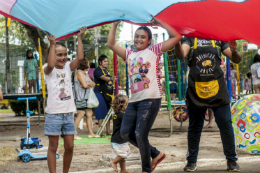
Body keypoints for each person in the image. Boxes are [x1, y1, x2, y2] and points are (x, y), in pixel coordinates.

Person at [107, 15, 182, 173]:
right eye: (136, 36)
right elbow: (111, 43)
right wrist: (114, 24)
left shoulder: (154, 50)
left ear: (149, 41)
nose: (139, 39)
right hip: (134, 101)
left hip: (150, 99)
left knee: (141, 134)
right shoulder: (128, 54)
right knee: (126, 133)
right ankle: (156, 154)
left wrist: (159, 22)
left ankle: (146, 169)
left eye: (143, 37)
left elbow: (176, 36)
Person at [175, 37, 242, 171]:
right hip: (195, 89)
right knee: (195, 127)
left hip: (218, 88)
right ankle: (191, 161)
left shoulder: (219, 37)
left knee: (225, 123)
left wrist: (234, 50)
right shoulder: (189, 38)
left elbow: (236, 59)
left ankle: (232, 160)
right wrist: (176, 39)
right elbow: (181, 54)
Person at [43, 26, 87, 173]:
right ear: (52, 55)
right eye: (59, 55)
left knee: (70, 146)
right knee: (53, 147)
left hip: (68, 114)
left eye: (65, 54)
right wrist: (52, 44)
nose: (63, 58)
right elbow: (50, 64)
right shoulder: (48, 70)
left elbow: (80, 58)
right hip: (54, 115)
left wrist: (79, 38)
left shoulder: (68, 67)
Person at [74, 58, 99, 139]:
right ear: (84, 64)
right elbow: (85, 85)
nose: (89, 65)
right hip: (80, 97)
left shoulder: (85, 73)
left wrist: (87, 84)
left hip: (87, 97)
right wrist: (88, 84)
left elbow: (92, 84)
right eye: (88, 63)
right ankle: (73, 134)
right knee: (80, 115)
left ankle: (91, 133)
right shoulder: (79, 72)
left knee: (89, 114)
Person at [94, 54, 116, 136]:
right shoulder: (97, 70)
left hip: (107, 93)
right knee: (100, 111)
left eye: (107, 61)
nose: (106, 63)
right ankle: (101, 131)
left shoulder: (106, 70)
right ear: (100, 62)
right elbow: (103, 78)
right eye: (104, 61)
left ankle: (108, 131)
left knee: (108, 111)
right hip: (99, 92)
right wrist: (111, 78)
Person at [110, 94, 133, 173]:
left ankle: (123, 170)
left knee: (121, 155)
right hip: (120, 140)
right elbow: (127, 126)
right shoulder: (123, 116)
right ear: (124, 105)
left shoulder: (115, 115)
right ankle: (113, 162)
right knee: (126, 153)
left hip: (114, 140)